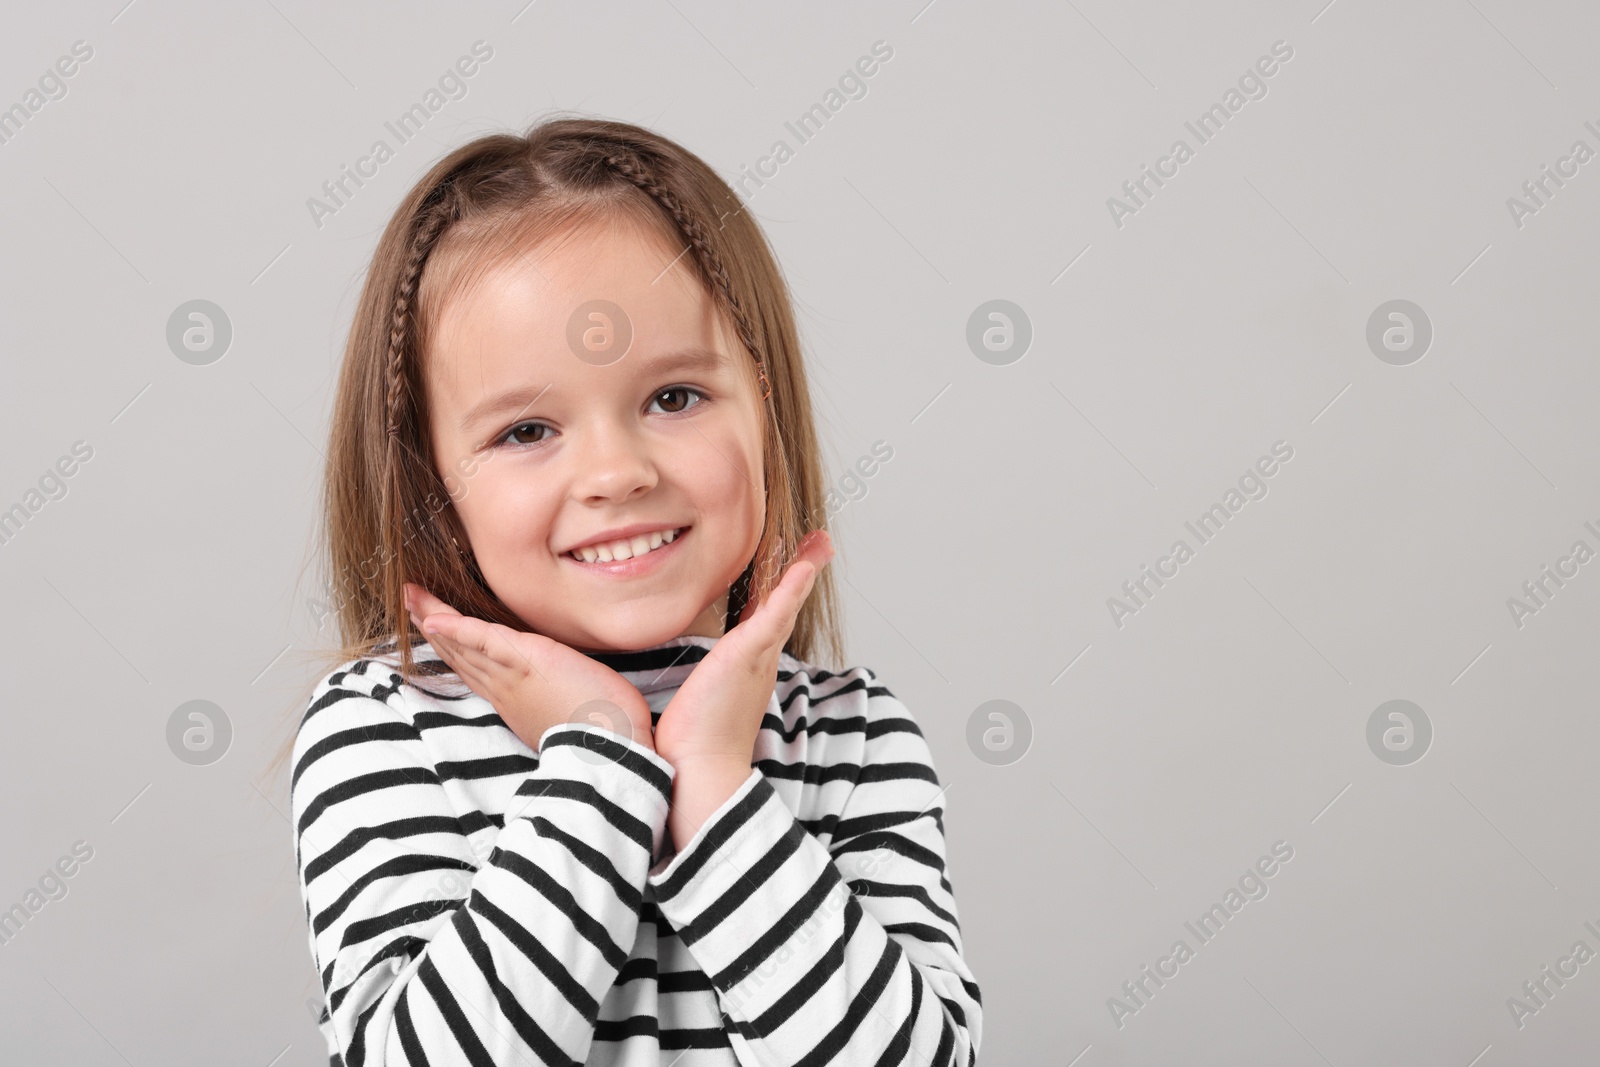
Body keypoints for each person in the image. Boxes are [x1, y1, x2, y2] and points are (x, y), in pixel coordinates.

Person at [289, 116, 982, 1066]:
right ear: (431, 487)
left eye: (674, 398)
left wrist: (715, 788)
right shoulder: (384, 725)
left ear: (769, 410)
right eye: (529, 431)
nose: (615, 473)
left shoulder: (853, 736)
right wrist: (601, 756)